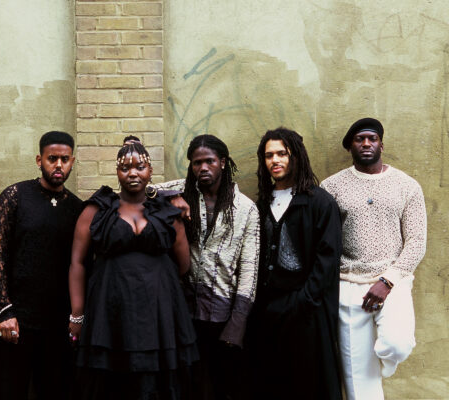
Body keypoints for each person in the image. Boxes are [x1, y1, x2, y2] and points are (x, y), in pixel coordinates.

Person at [68, 138, 198, 399]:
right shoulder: (97, 211)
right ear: (117, 173)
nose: (133, 173)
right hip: (110, 310)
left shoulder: (167, 211)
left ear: (150, 171)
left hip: (158, 312)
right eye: (125, 168)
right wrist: (77, 315)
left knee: (156, 381)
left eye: (140, 166)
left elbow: (183, 265)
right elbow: (78, 263)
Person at [321, 118, 427, 400]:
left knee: (397, 344)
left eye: (372, 138)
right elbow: (323, 241)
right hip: (347, 284)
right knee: (359, 380)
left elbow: (416, 241)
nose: (366, 143)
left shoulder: (407, 186)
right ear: (350, 147)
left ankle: (386, 361)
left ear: (381, 143)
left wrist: (387, 280)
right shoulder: (331, 187)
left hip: (393, 281)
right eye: (359, 139)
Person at [155, 134, 260, 400]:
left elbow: (249, 270)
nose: (202, 168)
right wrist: (169, 197)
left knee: (222, 384)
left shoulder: (246, 208)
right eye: (196, 162)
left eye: (209, 161)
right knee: (188, 384)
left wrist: (237, 323)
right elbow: (142, 189)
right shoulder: (183, 190)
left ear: (223, 163)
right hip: (184, 309)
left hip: (222, 312)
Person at [248, 127, 343, 399]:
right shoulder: (263, 203)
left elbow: (328, 259)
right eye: (268, 155)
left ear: (296, 156)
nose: (274, 160)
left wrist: (303, 300)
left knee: (308, 384)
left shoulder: (319, 202)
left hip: (307, 312)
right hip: (267, 311)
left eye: (282, 153)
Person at [0, 131, 83, 399]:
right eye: (52, 159)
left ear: (73, 161)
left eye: (65, 159)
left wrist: (76, 316)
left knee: (54, 390)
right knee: (9, 390)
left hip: (58, 324)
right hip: (16, 321)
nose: (59, 165)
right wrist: (4, 310)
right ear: (39, 160)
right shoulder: (15, 196)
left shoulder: (77, 208)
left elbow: (81, 265)